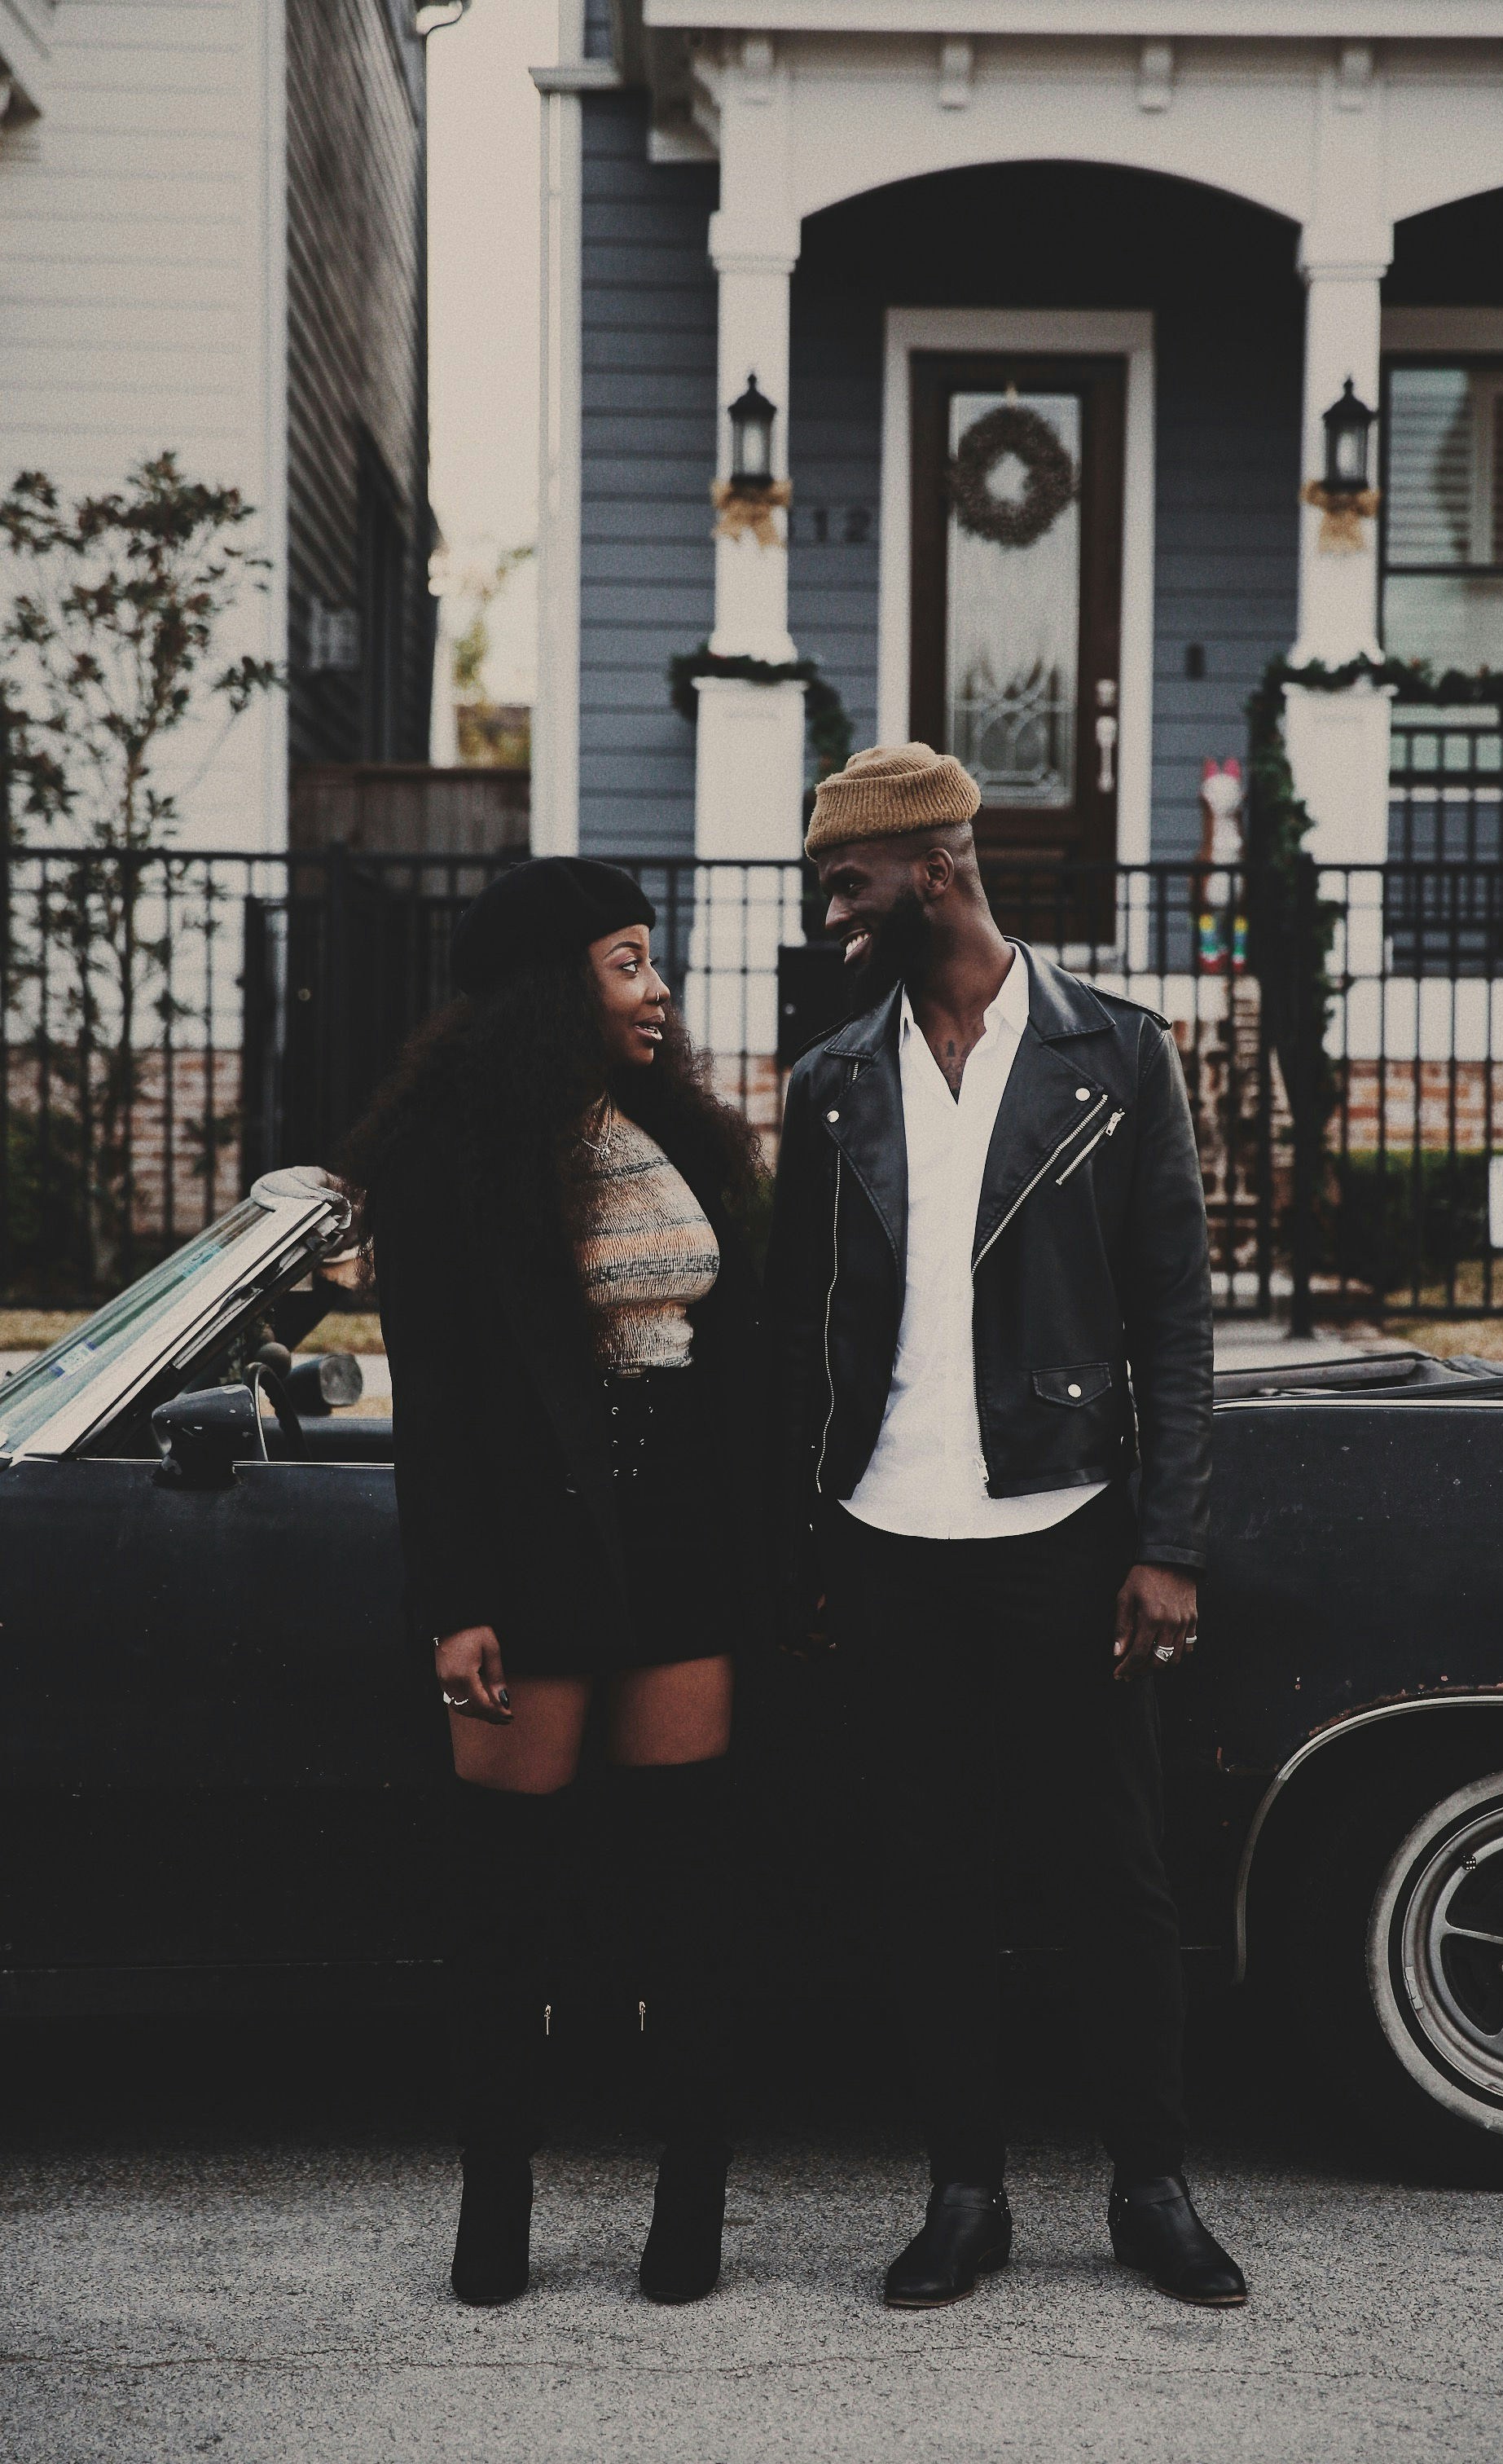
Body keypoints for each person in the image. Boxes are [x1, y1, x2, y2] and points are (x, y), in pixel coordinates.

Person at [767, 743, 1246, 2312]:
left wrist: (1164, 1542)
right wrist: (810, 1540)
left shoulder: (1117, 1052)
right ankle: (963, 2196)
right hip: (887, 1534)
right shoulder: (833, 1079)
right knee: (929, 1872)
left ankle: (1151, 2189)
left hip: (1066, 1524)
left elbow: (1176, 1318)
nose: (834, 910)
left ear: (940, 870)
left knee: (1114, 1870)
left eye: (853, 881)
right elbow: (795, 1336)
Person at [339, 857, 765, 2309]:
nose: (660, 991)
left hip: (683, 1547)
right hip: (526, 1555)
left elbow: (740, 1356)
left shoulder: (682, 1134)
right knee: (503, 1901)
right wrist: (457, 1600)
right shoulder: (454, 1154)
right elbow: (441, 1404)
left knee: (688, 1887)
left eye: (654, 962)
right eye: (629, 961)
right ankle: (496, 2209)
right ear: (550, 986)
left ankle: (689, 2209)